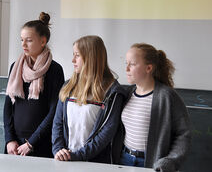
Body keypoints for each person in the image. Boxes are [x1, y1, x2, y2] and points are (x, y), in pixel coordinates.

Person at [116, 43, 191, 171]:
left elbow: (183, 134)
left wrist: (170, 161)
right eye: (126, 63)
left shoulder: (166, 96)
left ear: (148, 68)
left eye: (132, 64)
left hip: (151, 163)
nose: (127, 69)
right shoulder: (127, 93)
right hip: (124, 159)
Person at [52, 35, 126, 163]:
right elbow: (57, 123)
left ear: (91, 58)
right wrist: (58, 149)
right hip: (65, 159)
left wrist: (77, 156)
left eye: (77, 55)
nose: (72, 60)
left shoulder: (113, 92)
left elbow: (106, 134)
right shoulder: (68, 86)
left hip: (96, 164)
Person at [4, 12, 64, 158]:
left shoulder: (55, 70)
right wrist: (9, 139)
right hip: (14, 145)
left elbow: (54, 111)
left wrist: (31, 143)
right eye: (21, 40)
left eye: (29, 40)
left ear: (43, 41)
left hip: (42, 144)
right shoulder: (15, 67)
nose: (23, 44)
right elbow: (8, 106)